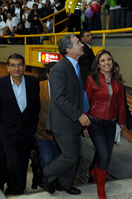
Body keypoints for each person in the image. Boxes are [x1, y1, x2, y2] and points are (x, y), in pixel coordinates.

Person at [39, 33, 90, 195]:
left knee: (74, 157)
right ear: (69, 50)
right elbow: (59, 98)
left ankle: (64, 184)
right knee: (70, 156)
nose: (82, 44)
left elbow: (78, 95)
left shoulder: (77, 66)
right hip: (62, 122)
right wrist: (79, 115)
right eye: (78, 43)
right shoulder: (59, 69)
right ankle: (45, 174)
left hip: (74, 122)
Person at [0, 53, 40, 195]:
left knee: (24, 163)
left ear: (24, 66)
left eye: (19, 65)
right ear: (8, 68)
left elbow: (36, 108)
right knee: (12, 163)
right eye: (13, 65)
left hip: (26, 132)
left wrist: (32, 128)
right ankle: (15, 190)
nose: (16, 68)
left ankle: (19, 187)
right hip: (7, 132)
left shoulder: (33, 82)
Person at [83, 50, 126, 199]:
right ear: (98, 64)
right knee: (103, 155)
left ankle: (96, 172)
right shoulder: (91, 79)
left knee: (106, 157)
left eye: (109, 59)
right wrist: (85, 125)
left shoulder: (118, 79)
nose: (106, 62)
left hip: (111, 124)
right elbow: (86, 101)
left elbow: (121, 103)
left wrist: (121, 122)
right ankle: (100, 187)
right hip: (95, 122)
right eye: (103, 60)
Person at [34, 62, 60, 168]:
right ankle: (44, 180)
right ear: (47, 74)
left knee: (57, 162)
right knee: (47, 160)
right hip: (42, 132)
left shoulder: (65, 88)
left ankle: (52, 184)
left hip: (59, 135)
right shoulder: (39, 87)